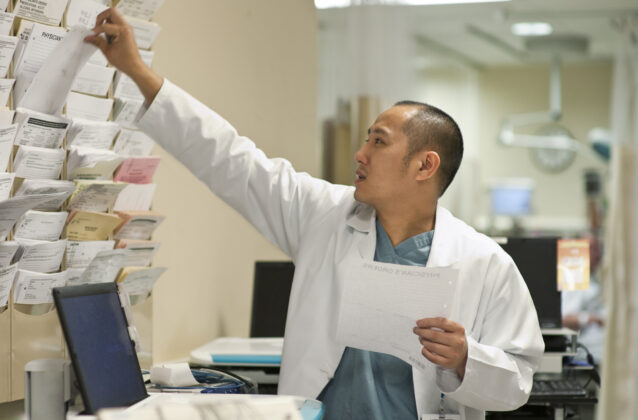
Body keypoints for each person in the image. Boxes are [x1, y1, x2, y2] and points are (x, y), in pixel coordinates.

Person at [86, 8, 544, 419]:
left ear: (425, 165)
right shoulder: (322, 215)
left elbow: (519, 380)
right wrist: (137, 71)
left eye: (379, 142)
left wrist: (466, 358)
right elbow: (230, 159)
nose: (360, 154)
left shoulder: (484, 263)